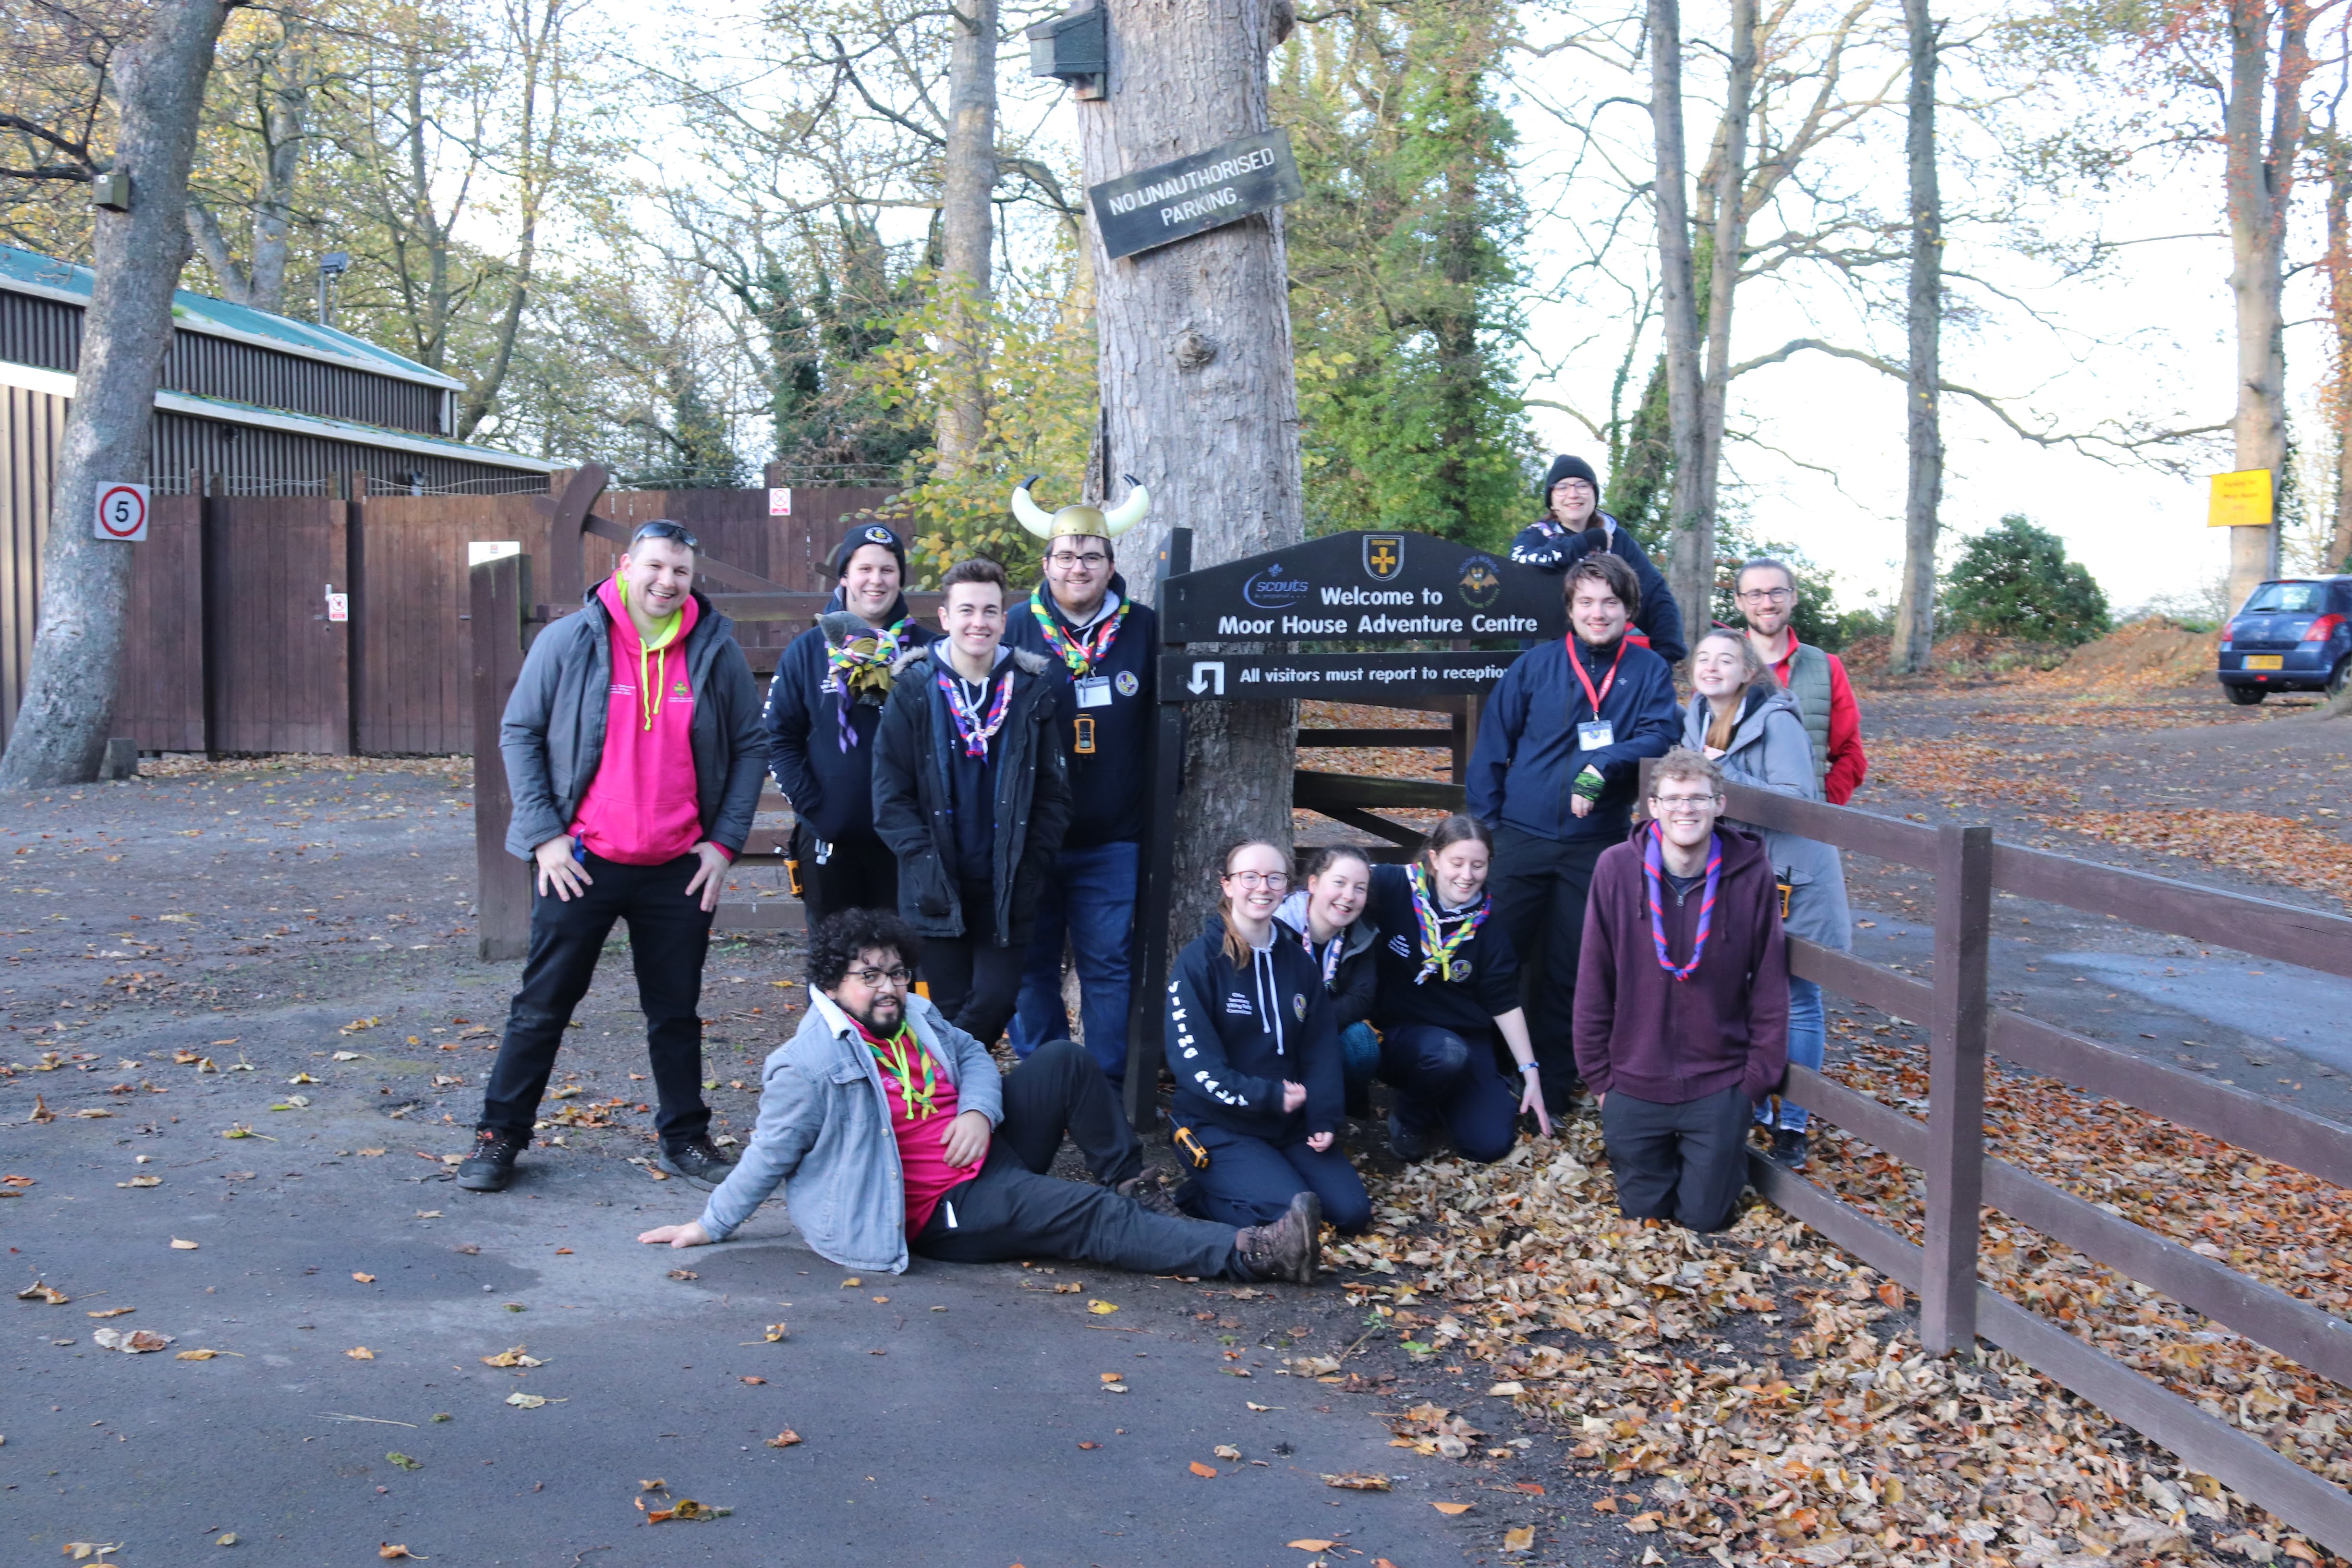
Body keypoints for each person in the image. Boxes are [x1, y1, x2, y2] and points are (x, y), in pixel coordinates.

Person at [635, 909, 1321, 1284]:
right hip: (943, 1207)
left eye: (895, 972)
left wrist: (975, 1110)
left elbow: (971, 1056)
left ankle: (1136, 1188)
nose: (887, 987)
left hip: (985, 1149)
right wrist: (709, 1225)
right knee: (1086, 1214)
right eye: (869, 976)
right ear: (833, 984)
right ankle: (1252, 1253)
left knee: (1063, 1059)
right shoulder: (808, 1063)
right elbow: (768, 1154)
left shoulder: (913, 1014)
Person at [461, 520, 766, 1194]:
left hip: (678, 867)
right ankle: (499, 1134)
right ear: (624, 565)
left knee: (675, 1012)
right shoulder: (569, 639)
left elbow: (751, 744)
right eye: (655, 566)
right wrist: (544, 835)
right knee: (542, 1004)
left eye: (680, 571)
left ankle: (685, 1139)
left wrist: (723, 844)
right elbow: (520, 730)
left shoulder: (714, 648)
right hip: (580, 862)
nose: (667, 581)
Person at [1469, 552, 1681, 1115]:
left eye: (1609, 602)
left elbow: (1662, 732)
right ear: (1569, 608)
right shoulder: (1534, 665)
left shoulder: (1648, 670)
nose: (1597, 612)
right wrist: (1487, 831)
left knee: (1572, 966)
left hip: (1595, 845)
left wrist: (1607, 759)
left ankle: (1553, 1083)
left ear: (1628, 609)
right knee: (1496, 956)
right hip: (1519, 835)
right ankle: (1485, 1072)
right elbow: (1491, 748)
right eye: (1585, 601)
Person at [1574, 748, 1790, 1232]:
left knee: (1704, 1219)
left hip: (1719, 1081)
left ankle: (1715, 1166)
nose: (1684, 809)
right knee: (1644, 1219)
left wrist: (1753, 1083)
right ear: (1652, 806)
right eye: (1672, 798)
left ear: (1719, 804)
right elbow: (1592, 980)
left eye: (1697, 798)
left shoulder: (1751, 873)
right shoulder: (1614, 868)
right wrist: (1600, 1080)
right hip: (1633, 1080)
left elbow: (1770, 986)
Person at [871, 557, 1072, 1047]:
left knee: (997, 998)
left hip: (1007, 883)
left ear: (1004, 619)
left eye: (989, 611)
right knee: (949, 1005)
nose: (977, 622)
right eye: (966, 610)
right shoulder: (913, 690)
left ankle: (942, 1079)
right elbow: (889, 797)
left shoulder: (1031, 689)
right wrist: (923, 862)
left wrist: (1032, 860)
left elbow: (1054, 793)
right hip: (936, 882)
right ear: (945, 617)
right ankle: (956, 1093)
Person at [1003, 475, 1156, 1088]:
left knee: (1108, 970)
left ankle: (1106, 1091)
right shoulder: (1014, 626)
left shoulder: (1143, 628)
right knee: (1029, 966)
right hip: (1029, 838)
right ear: (1046, 564)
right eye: (1065, 555)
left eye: (1091, 556)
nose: (1078, 567)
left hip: (1112, 840)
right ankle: (1047, 1086)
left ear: (1110, 565)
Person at [1684, 629, 1853, 1170]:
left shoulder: (1776, 720)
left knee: (1797, 998)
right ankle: (1754, 1105)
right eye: (1703, 658)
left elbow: (1794, 802)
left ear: (1748, 671)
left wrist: (1717, 775)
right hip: (1735, 874)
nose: (1712, 667)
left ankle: (1794, 1124)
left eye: (1725, 659)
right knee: (1742, 991)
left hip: (1789, 875)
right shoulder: (1695, 716)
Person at [1164, 841, 1370, 1236]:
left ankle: (1259, 1182)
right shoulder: (1199, 962)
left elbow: (1320, 1046)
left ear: (1287, 887)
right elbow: (1195, 1066)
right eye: (1250, 877)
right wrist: (1267, 1095)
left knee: (1351, 1213)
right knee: (1286, 1217)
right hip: (1217, 1123)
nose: (1263, 887)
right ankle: (1199, 1198)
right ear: (1228, 885)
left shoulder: (1298, 962)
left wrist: (1323, 1115)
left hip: (1287, 1122)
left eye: (1275, 878)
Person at [763, 523, 935, 930]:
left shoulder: (929, 652)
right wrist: (814, 807)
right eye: (865, 569)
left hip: (909, 845)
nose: (876, 580)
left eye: (888, 570)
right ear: (844, 576)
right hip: (830, 844)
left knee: (906, 959)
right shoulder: (808, 651)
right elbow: (778, 737)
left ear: (901, 579)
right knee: (835, 959)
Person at [1363, 815, 1552, 1164]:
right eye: (1457, 863)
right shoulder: (1395, 885)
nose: (1467, 875)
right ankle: (1410, 1118)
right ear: (1435, 859)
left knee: (1489, 1143)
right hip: (1396, 1035)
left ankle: (1442, 1095)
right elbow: (1341, 881)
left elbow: (1504, 1003)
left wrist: (1531, 1073)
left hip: (1465, 1038)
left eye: (1478, 865)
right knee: (1445, 1054)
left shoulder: (1489, 925)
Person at [1508, 455, 1687, 664]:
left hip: (1610, 662)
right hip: (1548, 663)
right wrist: (1584, 542)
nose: (1573, 494)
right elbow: (1517, 570)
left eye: (1582, 486)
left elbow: (1655, 594)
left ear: (1594, 494)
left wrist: (1667, 653)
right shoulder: (1534, 537)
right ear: (1552, 500)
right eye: (1562, 488)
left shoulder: (1618, 540)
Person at [1733, 557, 1866, 804]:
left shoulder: (1826, 667)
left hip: (1809, 819)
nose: (1767, 603)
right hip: (1735, 817)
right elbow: (1701, 748)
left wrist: (1824, 805)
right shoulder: (1718, 667)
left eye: (1777, 592)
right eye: (1755, 595)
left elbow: (1851, 754)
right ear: (1739, 601)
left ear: (1793, 597)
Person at [1273, 846, 1381, 1118]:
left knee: (1363, 1043)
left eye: (1360, 888)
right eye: (1339, 883)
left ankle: (1338, 1111)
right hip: (1282, 1033)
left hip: (1328, 1027)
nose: (1349, 896)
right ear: (1313, 884)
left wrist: (1316, 1026)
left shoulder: (1364, 931)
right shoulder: (1278, 926)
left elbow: (1362, 997)